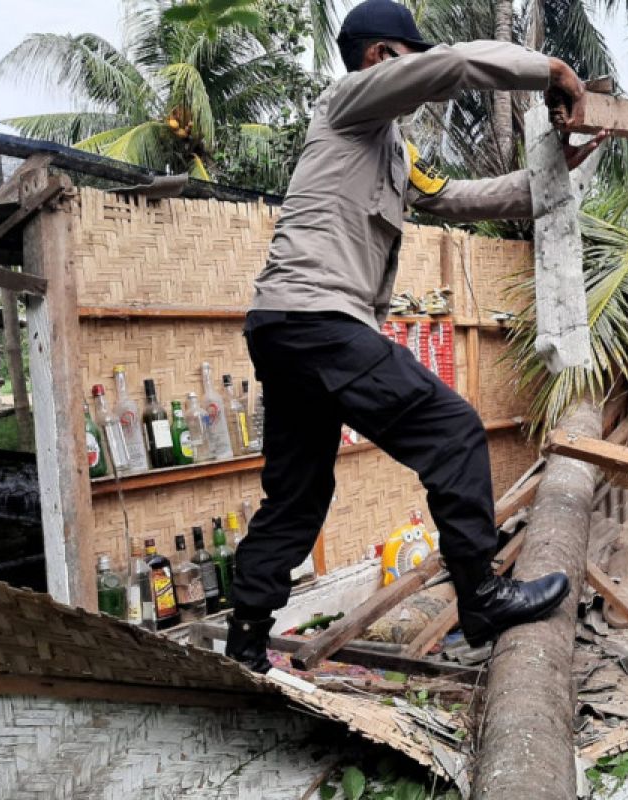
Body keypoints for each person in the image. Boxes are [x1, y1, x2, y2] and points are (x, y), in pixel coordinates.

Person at [226, 0, 607, 672]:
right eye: (407, 57)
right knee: (454, 431)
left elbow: (451, 196)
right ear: (381, 57)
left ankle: (246, 643)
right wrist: (548, 69)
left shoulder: (390, 150)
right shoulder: (347, 100)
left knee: (298, 493)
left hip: (285, 326)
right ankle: (482, 594)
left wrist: (554, 176)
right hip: (318, 321)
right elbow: (452, 66)